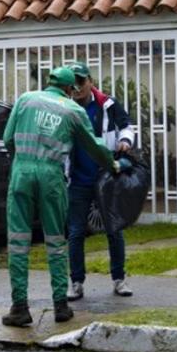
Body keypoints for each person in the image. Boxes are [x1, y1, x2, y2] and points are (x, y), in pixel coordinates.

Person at [1, 67, 117, 327]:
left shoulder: (25, 100)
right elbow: (94, 146)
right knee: (55, 240)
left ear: (49, 83)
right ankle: (60, 306)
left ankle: (19, 307)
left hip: (21, 172)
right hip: (52, 178)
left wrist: (20, 161)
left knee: (19, 241)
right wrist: (113, 165)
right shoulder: (73, 110)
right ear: (69, 89)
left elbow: (7, 138)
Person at [65, 62, 136, 302]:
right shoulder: (64, 107)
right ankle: (76, 282)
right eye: (73, 82)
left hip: (106, 178)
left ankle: (119, 279)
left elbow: (127, 125)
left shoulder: (107, 104)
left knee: (114, 230)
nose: (77, 87)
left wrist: (125, 141)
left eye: (81, 81)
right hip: (78, 179)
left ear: (90, 82)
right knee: (75, 232)